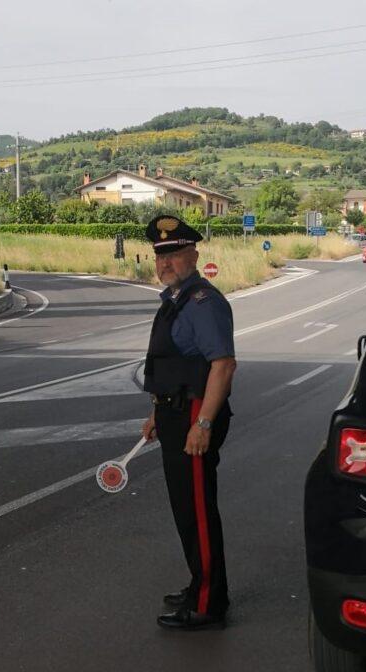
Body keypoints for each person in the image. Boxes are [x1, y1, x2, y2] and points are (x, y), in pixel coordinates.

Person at [141, 215, 236, 631]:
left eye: (175, 254)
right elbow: (174, 366)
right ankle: (201, 584)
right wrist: (157, 414)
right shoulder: (176, 298)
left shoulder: (202, 302)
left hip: (194, 418)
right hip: (176, 415)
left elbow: (223, 365)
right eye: (161, 255)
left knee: (198, 512)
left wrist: (202, 424)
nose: (166, 263)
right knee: (186, 510)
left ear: (194, 255)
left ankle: (208, 603)